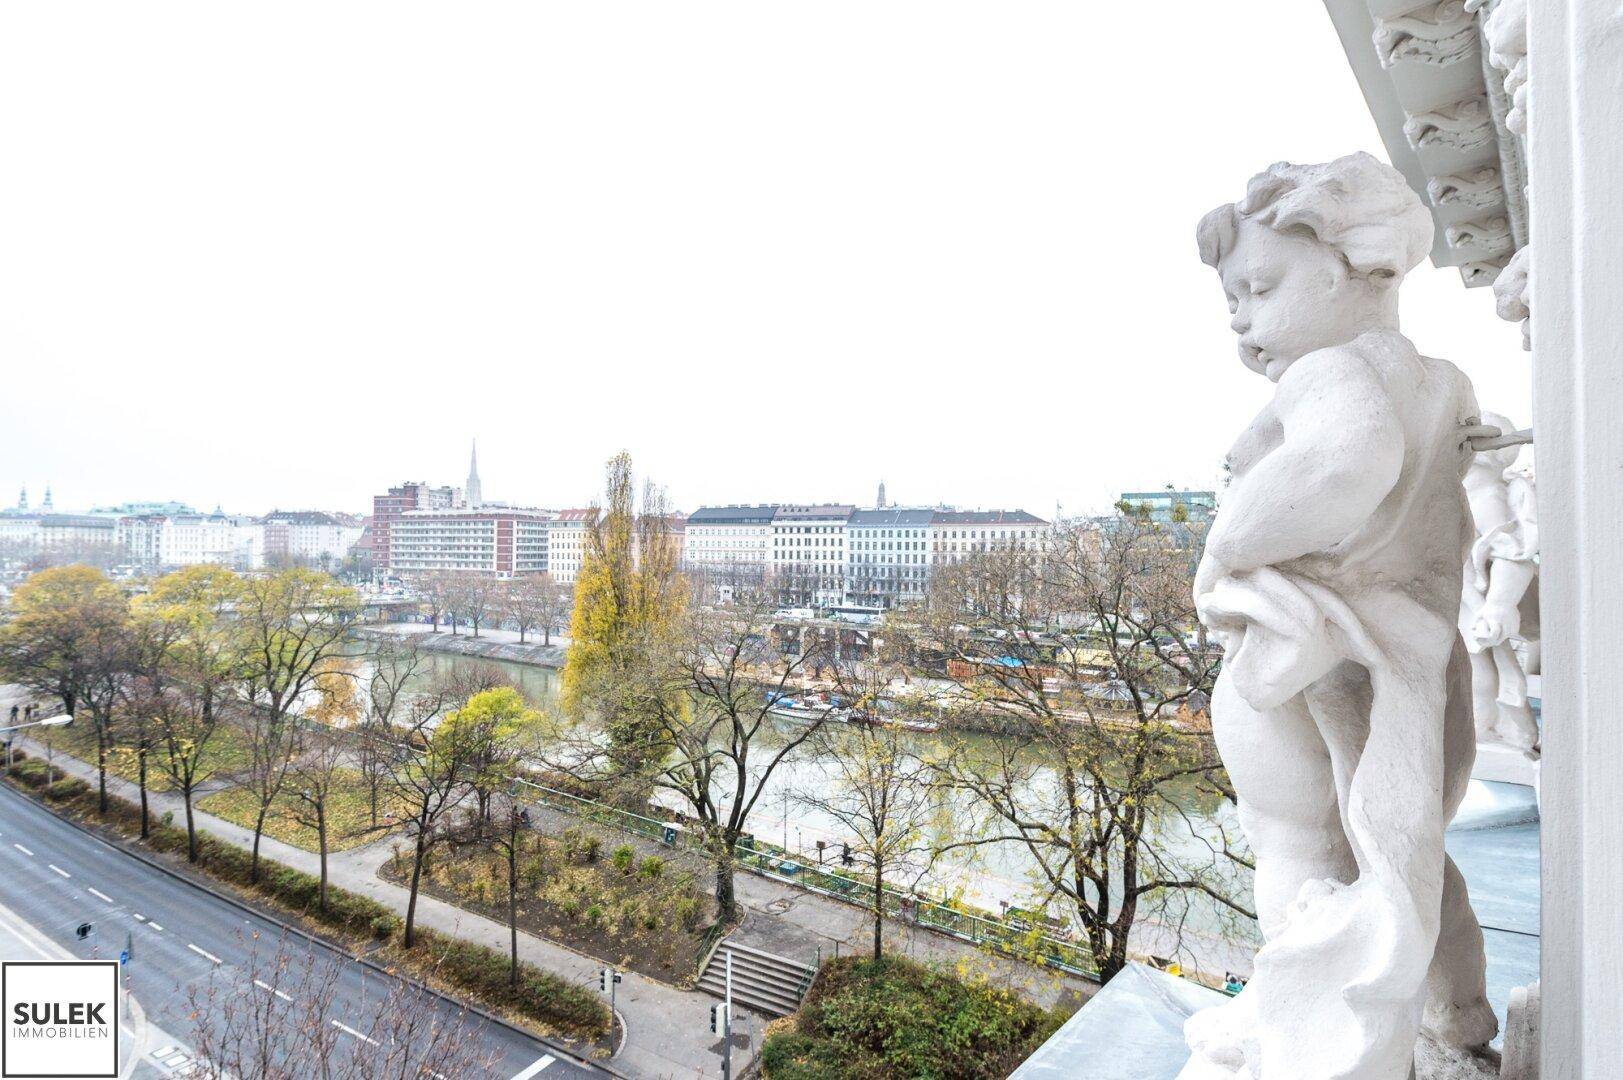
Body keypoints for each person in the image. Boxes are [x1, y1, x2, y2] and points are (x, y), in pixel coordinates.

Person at [1180, 153, 1495, 1078]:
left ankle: (1303, 1039)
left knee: (1293, 840)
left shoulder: (1328, 374)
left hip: (1306, 643)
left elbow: (1342, 462)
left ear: (1359, 268)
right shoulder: (1442, 383)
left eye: (1259, 287)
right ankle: (1457, 1012)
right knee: (1401, 846)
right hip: (1412, 654)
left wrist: (1225, 549)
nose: (1240, 318)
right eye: (1232, 299)